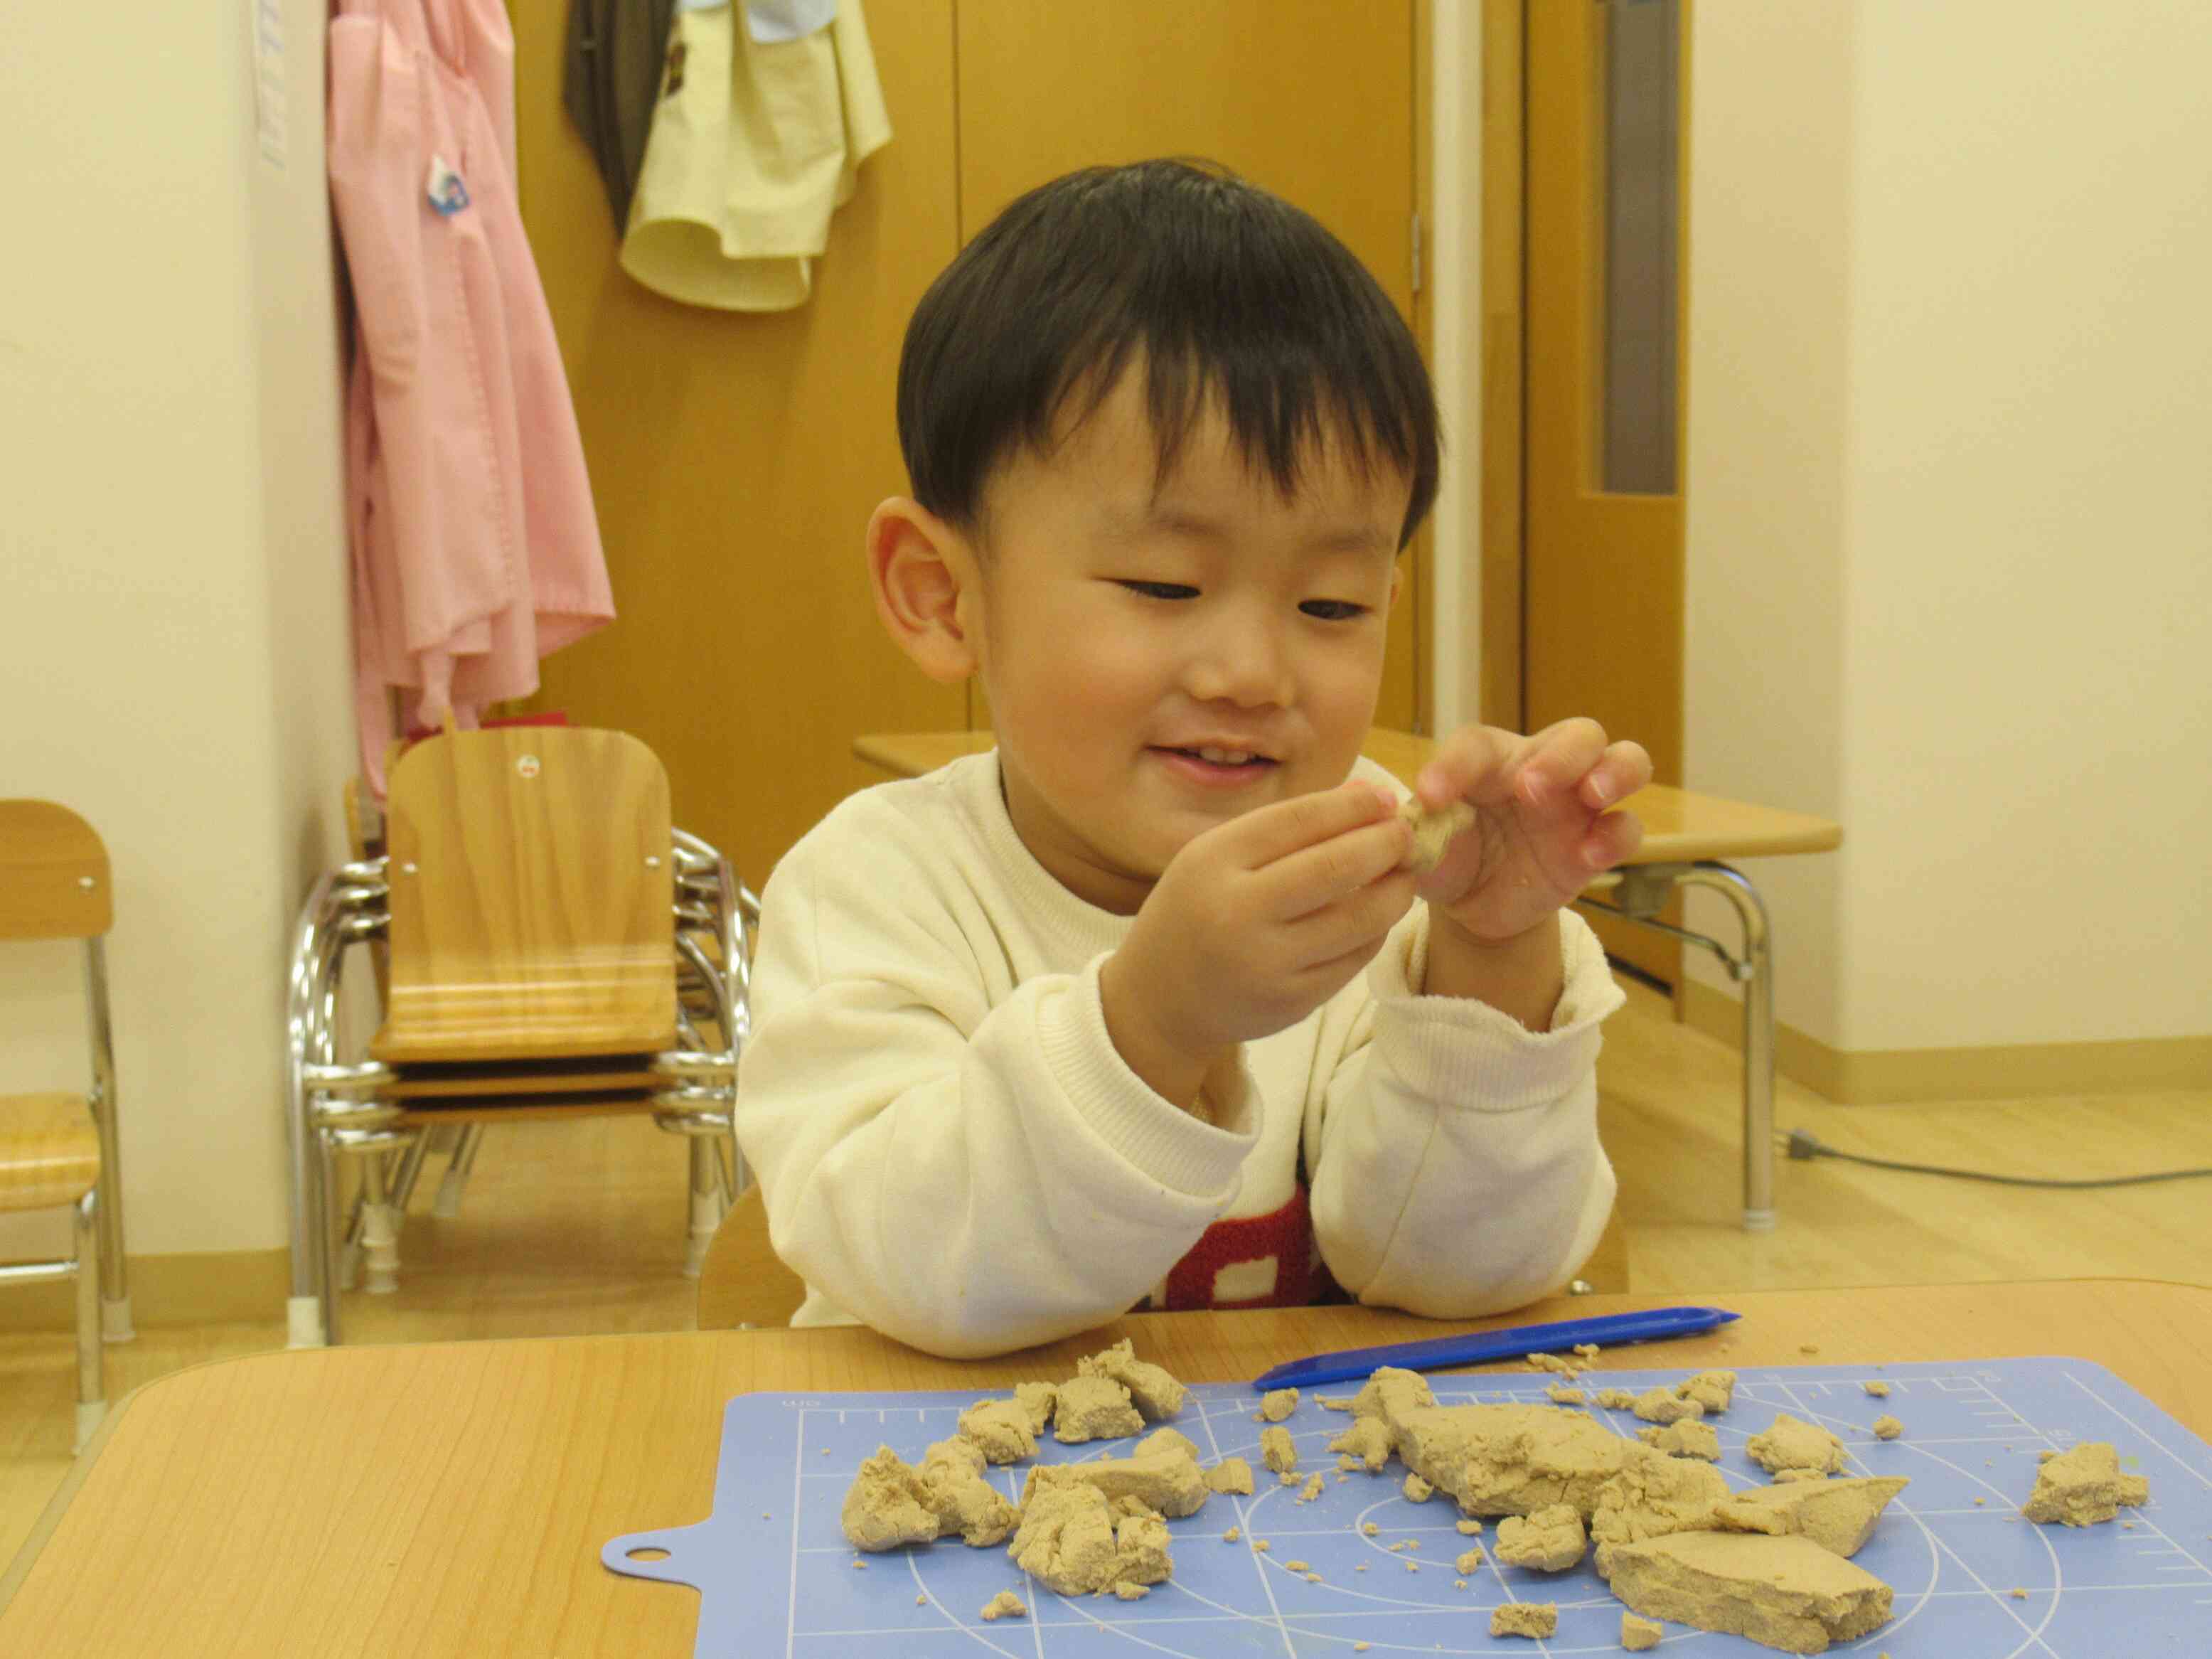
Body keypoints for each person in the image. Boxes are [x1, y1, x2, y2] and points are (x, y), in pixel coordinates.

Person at [733, 159, 1651, 1357]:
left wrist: (1489, 953)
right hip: (947, 1469)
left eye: (1330, 605)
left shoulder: (1378, 871)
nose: (1253, 673)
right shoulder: (875, 889)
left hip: (1302, 1475)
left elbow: (1449, 1274)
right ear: (943, 593)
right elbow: (922, 1270)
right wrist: (1152, 1026)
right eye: (1166, 585)